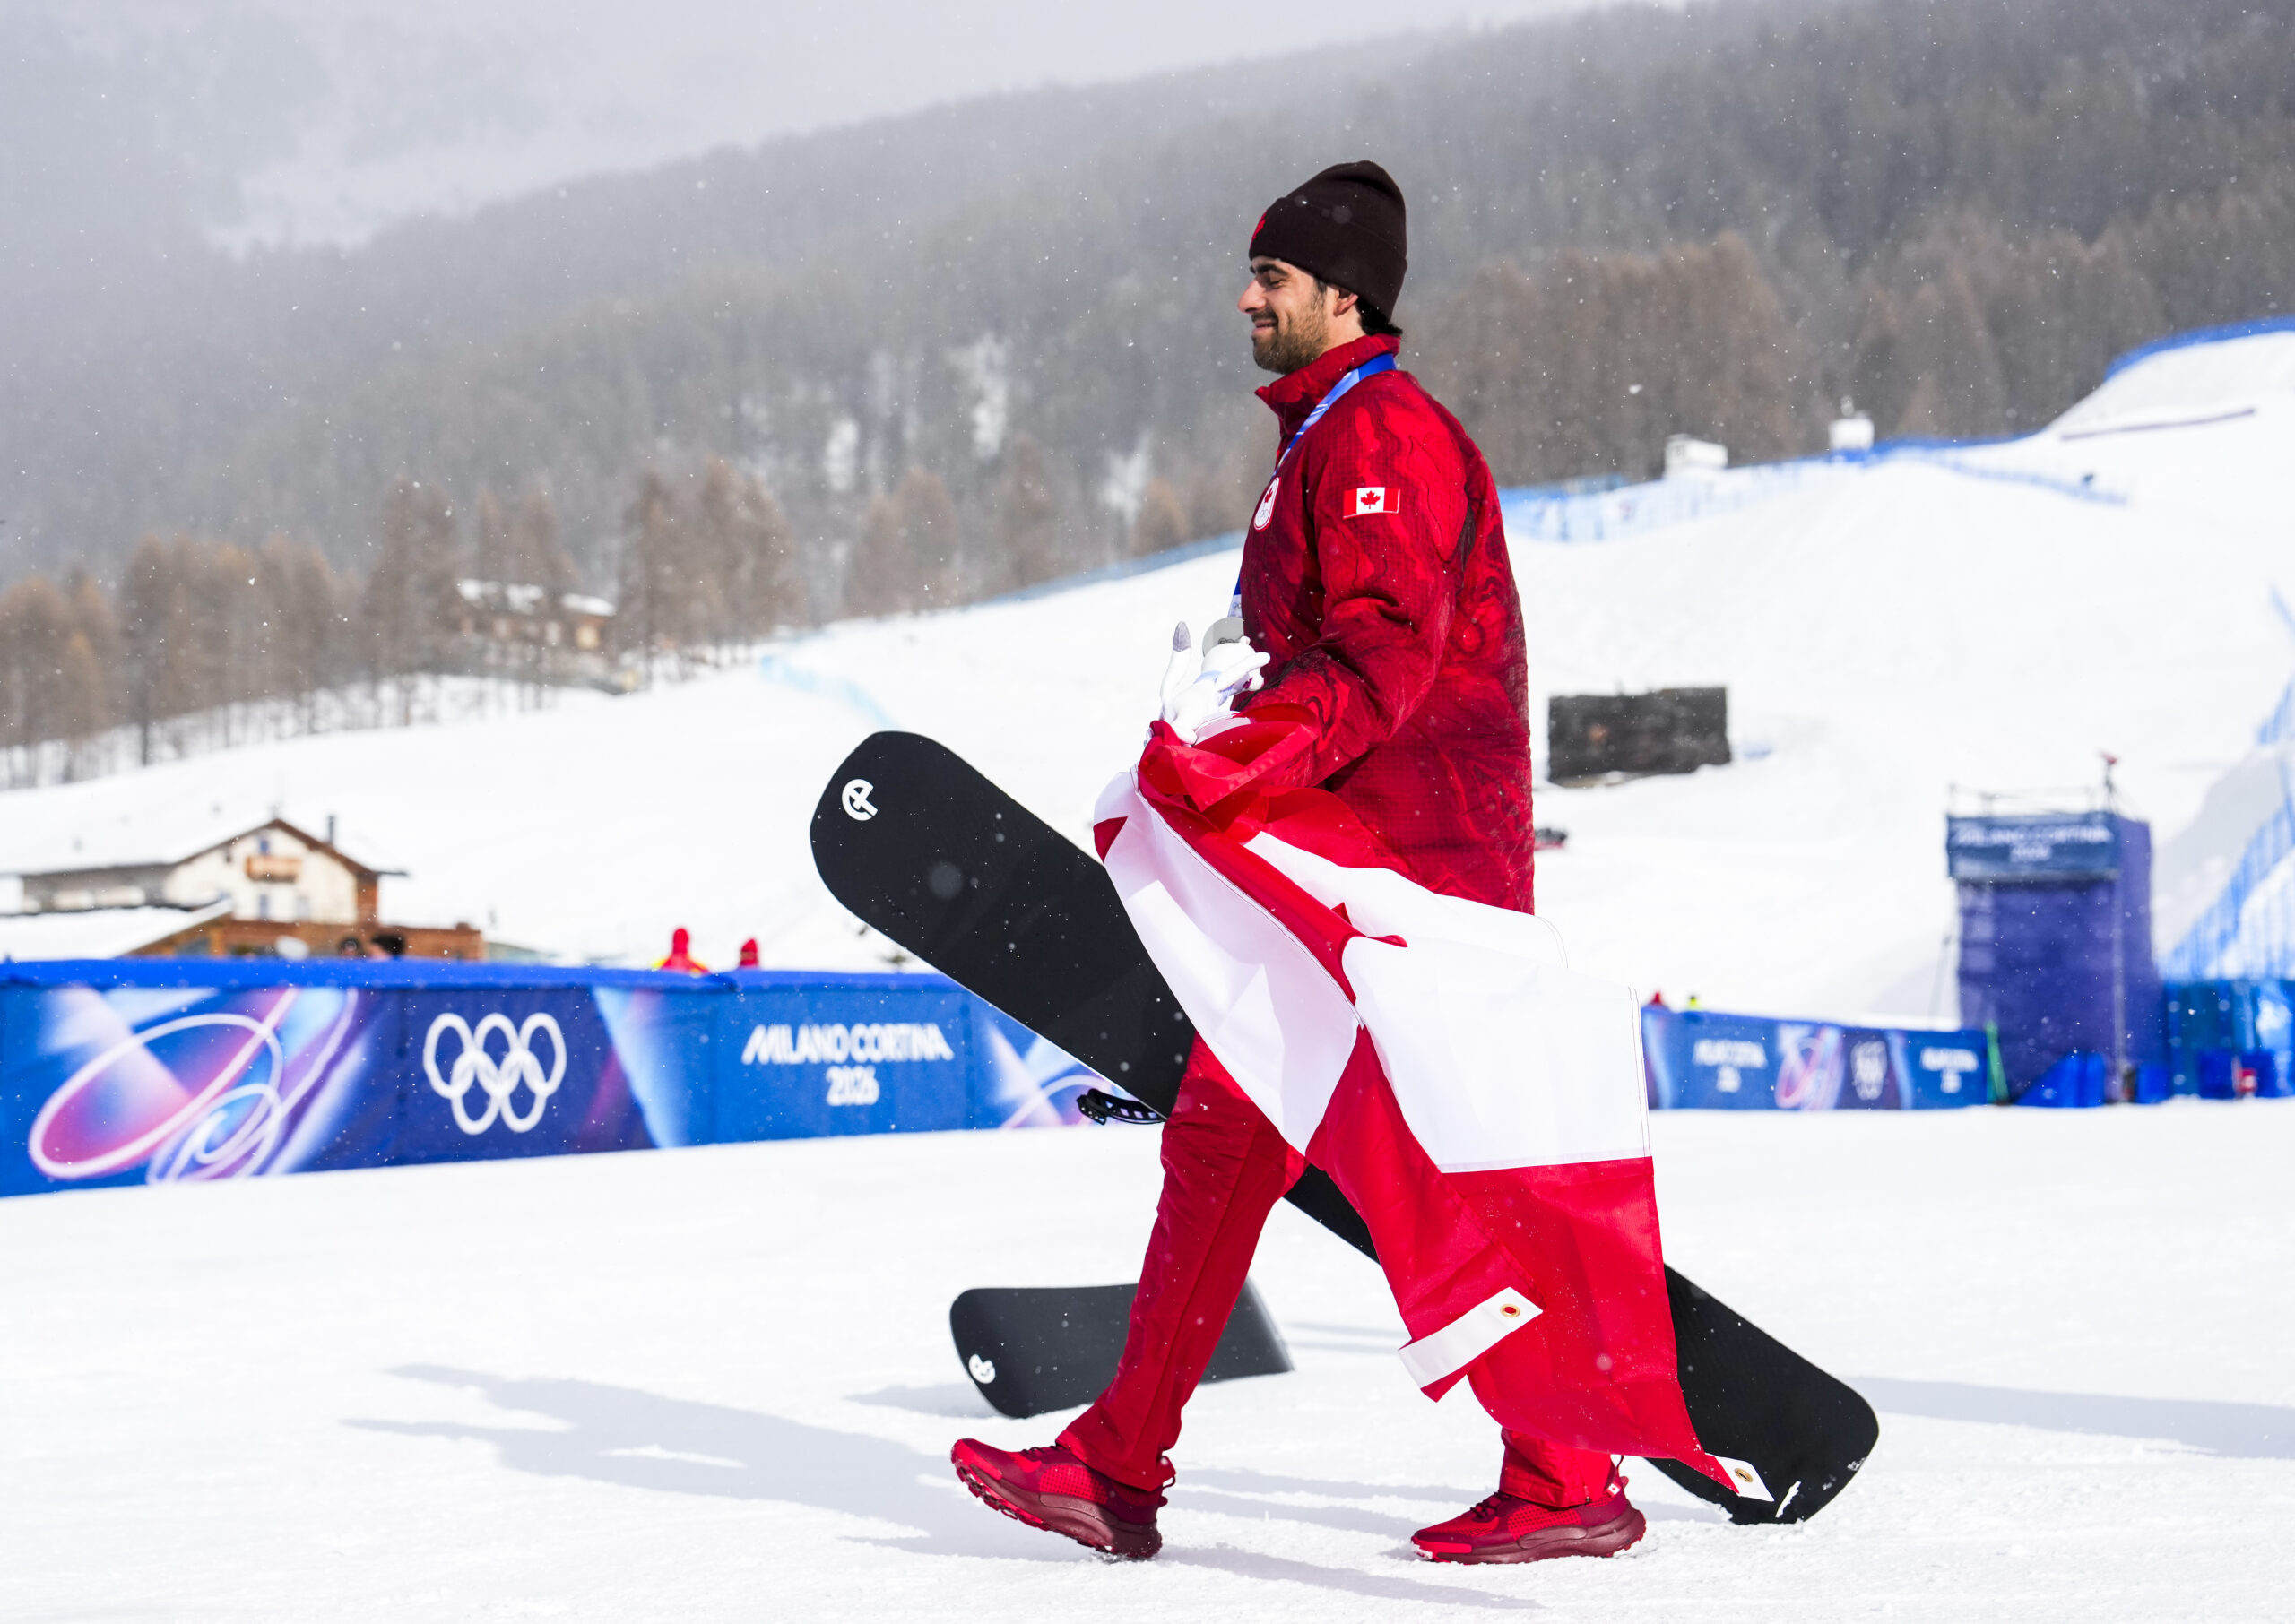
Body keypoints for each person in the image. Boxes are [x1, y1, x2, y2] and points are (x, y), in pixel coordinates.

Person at [951, 161, 1646, 1565]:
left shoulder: (1379, 435)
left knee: (1421, 1158)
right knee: (1229, 1132)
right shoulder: (1327, 434)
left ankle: (1567, 1472)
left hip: (1403, 876)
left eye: (1272, 278)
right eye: (1252, 272)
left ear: (1346, 295)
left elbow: (1381, 654)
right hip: (1356, 862)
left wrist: (1237, 761)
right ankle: (1120, 1465)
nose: (1247, 297)